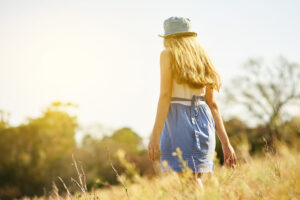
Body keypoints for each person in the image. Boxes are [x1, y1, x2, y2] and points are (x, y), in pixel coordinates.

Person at [148, 16, 237, 188]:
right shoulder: (203, 57)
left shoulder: (167, 55)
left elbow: (165, 95)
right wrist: (226, 144)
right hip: (204, 121)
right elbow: (213, 105)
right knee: (195, 179)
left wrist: (155, 136)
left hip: (178, 121)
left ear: (168, 38)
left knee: (189, 182)